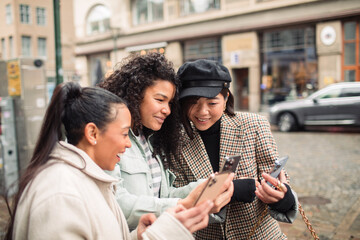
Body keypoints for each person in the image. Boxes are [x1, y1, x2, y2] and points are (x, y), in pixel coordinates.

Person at [4, 82, 215, 240]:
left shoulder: (85, 180)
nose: (128, 144)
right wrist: (161, 235)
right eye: (124, 134)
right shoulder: (61, 194)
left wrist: (139, 236)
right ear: (93, 133)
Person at [99, 53, 234, 230]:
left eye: (170, 103)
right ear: (134, 94)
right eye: (160, 100)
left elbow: (163, 195)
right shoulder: (110, 138)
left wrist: (203, 188)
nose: (167, 110)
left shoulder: (151, 139)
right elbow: (116, 203)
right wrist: (183, 204)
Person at [170, 59, 298, 239]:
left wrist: (282, 198)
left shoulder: (254, 125)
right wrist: (231, 189)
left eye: (212, 103)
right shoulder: (175, 140)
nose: (202, 112)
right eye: (193, 103)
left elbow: (277, 178)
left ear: (226, 98)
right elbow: (179, 197)